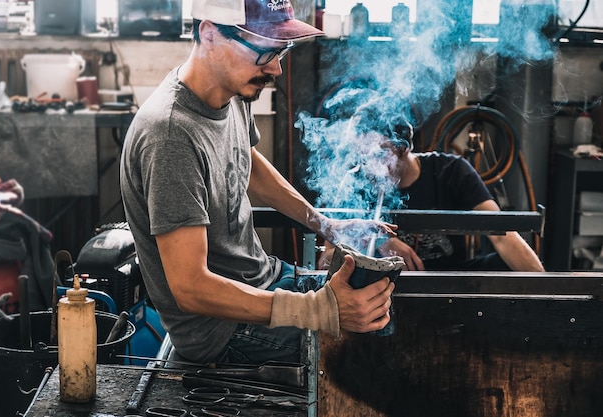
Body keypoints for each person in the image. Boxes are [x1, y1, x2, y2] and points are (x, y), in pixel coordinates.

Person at [119, 0, 398, 365]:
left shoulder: (230, 88)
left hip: (262, 279)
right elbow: (190, 288)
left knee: (385, 314)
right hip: (219, 331)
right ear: (210, 35)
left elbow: (246, 162)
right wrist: (316, 310)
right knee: (377, 354)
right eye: (265, 50)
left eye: (281, 50)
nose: (277, 69)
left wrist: (326, 224)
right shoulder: (171, 137)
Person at [318, 124, 545, 272]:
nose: (368, 166)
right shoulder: (355, 181)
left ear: (403, 148)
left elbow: (502, 235)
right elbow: (326, 258)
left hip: (449, 281)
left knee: (501, 265)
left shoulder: (452, 171)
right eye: (361, 155)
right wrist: (377, 242)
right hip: (383, 287)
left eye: (378, 154)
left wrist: (547, 293)